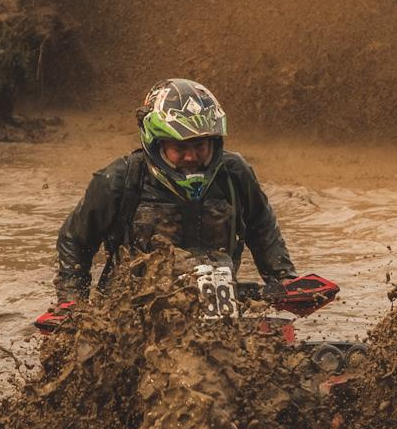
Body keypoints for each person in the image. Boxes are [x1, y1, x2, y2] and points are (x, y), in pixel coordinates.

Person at [54, 79, 296, 304]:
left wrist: (284, 279)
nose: (191, 156)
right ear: (156, 143)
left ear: (214, 142)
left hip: (219, 304)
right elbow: (74, 240)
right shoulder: (119, 179)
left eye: (200, 145)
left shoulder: (235, 174)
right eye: (179, 147)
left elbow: (262, 227)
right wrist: (72, 302)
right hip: (131, 313)